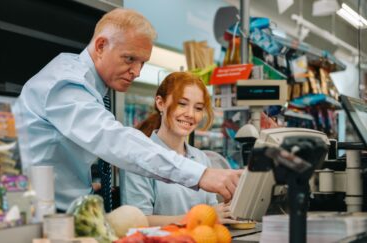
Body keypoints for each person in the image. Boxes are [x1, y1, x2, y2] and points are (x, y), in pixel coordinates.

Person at [13, 8, 242, 211]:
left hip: (70, 212)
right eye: (129, 59)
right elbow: (115, 140)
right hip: (41, 217)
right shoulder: (65, 84)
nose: (137, 71)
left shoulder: (91, 86)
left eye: (142, 62)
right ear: (101, 45)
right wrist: (200, 174)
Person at [121, 72, 238, 226]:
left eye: (198, 108)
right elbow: (137, 221)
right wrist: (198, 218)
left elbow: (212, 211)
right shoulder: (138, 158)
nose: (190, 114)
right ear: (160, 103)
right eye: (182, 104)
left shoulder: (201, 158)